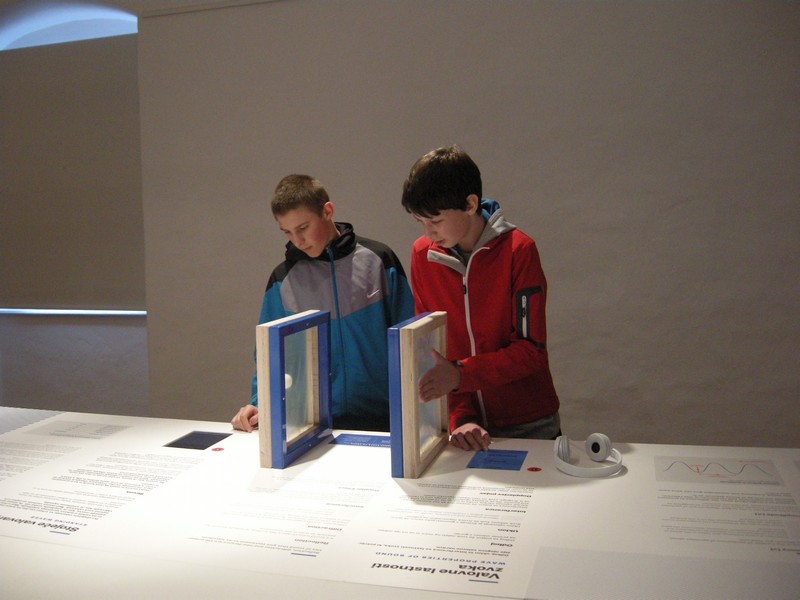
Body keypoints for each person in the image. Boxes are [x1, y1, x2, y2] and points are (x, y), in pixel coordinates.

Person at [401, 145, 560, 451]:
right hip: (466, 428)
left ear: (470, 203)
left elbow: (531, 350)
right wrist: (460, 416)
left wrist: (461, 375)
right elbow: (433, 350)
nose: (428, 232)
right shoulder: (423, 255)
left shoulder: (518, 251)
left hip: (529, 422)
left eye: (435, 221)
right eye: (420, 222)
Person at [232, 174, 414, 432]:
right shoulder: (282, 279)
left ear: (327, 211)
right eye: (287, 232)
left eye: (303, 228)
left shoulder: (379, 260)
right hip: (310, 425)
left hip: (386, 418)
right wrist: (259, 403)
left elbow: (411, 339)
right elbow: (268, 354)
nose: (297, 241)